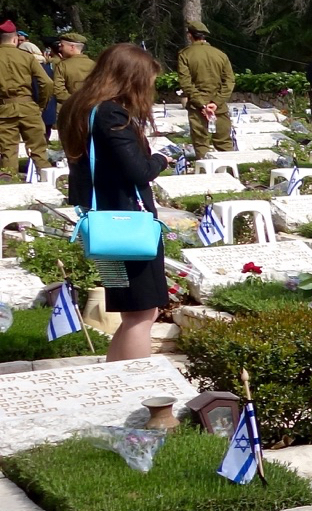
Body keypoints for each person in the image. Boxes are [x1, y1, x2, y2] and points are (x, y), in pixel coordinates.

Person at [63, 43, 170, 360]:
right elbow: (139, 172)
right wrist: (161, 159)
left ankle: (116, 376)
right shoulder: (111, 113)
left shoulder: (79, 107)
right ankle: (139, 381)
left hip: (105, 225)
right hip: (127, 225)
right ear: (131, 78)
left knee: (133, 312)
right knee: (142, 313)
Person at [0, 20, 53, 180]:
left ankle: (9, 182)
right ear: (15, 39)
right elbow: (47, 83)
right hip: (28, 107)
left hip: (4, 109)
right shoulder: (27, 57)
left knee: (8, 151)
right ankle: (49, 183)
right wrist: (41, 105)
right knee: (39, 150)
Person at [177, 18, 237, 157]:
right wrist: (216, 102)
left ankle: (205, 169)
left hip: (197, 108)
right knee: (224, 144)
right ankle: (229, 169)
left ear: (190, 35)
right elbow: (229, 81)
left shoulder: (185, 54)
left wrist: (202, 105)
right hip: (219, 107)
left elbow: (186, 83)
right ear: (204, 36)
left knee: (201, 144)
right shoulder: (220, 54)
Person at [52, 32, 95, 106]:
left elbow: (58, 92)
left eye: (62, 45)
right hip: (92, 107)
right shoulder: (95, 65)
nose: (60, 49)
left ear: (72, 47)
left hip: (71, 108)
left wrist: (76, 101)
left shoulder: (63, 65)